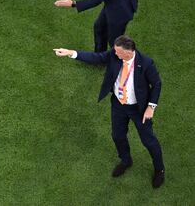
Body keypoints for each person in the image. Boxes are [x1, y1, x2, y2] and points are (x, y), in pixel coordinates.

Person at [53, 35, 165, 188]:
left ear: (129, 52)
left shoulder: (146, 63)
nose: (115, 54)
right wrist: (71, 53)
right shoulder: (114, 55)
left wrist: (150, 107)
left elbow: (157, 84)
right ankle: (126, 161)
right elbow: (96, 57)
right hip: (119, 105)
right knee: (117, 135)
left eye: (118, 52)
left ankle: (159, 170)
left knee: (148, 140)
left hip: (139, 109)